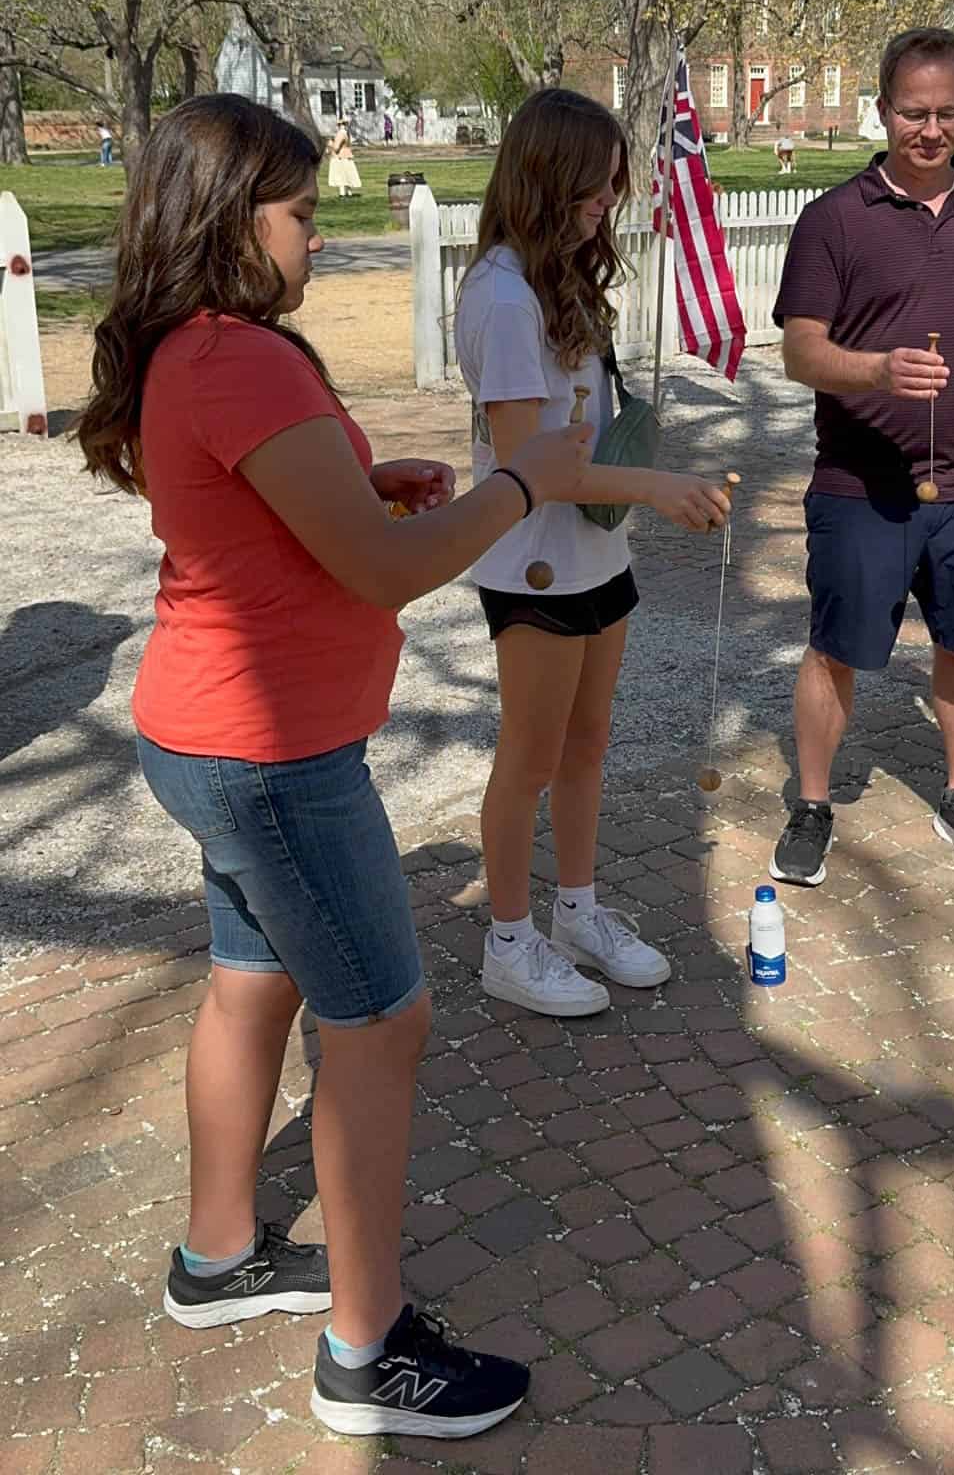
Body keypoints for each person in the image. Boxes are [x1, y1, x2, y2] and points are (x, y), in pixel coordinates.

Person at [75, 94, 593, 1440]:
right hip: (274, 756)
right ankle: (368, 1354)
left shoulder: (198, 352)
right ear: (228, 219)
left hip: (210, 735)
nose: (319, 231)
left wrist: (385, 483)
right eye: (301, 212)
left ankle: (218, 1255)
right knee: (379, 1023)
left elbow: (283, 518)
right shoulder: (239, 358)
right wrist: (519, 482)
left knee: (253, 988)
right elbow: (385, 572)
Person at [453, 87, 731, 1018]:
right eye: (595, 186)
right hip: (530, 560)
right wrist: (658, 487)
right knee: (528, 756)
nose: (608, 203)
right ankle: (508, 938)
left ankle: (577, 911)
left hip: (596, 555)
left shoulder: (559, 275)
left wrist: (645, 483)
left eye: (614, 186)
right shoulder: (499, 293)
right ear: (547, 179)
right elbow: (537, 469)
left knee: (587, 743)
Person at [770, 26, 954, 889]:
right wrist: (877, 371)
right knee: (839, 648)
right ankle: (813, 802)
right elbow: (799, 351)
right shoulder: (834, 221)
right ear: (882, 110)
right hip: (863, 485)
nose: (929, 131)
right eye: (911, 113)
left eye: (946, 113)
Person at [328, 118, 361, 199]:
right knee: (347, 174)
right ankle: (349, 192)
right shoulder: (346, 133)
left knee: (341, 175)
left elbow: (336, 148)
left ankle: (342, 193)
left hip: (340, 156)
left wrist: (330, 144)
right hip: (346, 154)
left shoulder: (340, 133)